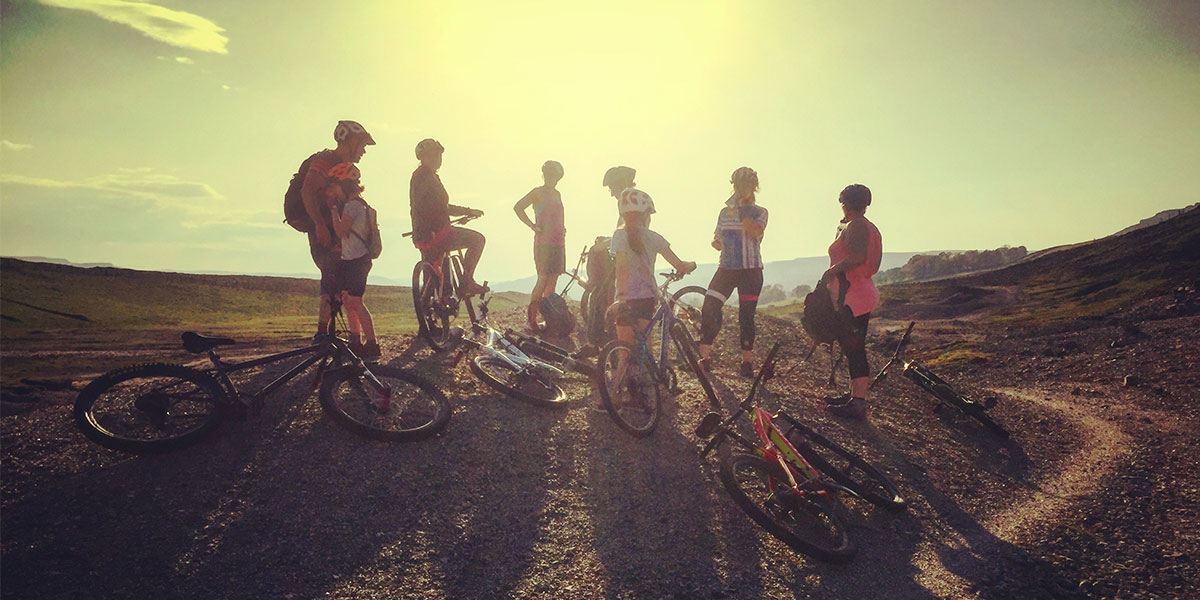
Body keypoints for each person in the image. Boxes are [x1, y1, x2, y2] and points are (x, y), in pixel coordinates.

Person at [301, 120, 375, 342]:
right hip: (325, 233)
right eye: (362, 145)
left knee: (337, 285)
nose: (363, 151)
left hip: (335, 235)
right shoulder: (324, 162)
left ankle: (330, 336)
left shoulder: (345, 170)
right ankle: (323, 336)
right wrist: (319, 224)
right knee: (331, 282)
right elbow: (307, 191)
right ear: (350, 141)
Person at [821, 184, 883, 421]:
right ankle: (854, 397)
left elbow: (857, 257)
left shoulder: (857, 226)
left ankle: (858, 403)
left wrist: (832, 272)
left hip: (854, 295)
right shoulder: (868, 227)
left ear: (845, 203)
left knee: (854, 348)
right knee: (851, 347)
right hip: (858, 292)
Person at [699, 167, 769, 377]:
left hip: (750, 270)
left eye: (747, 185)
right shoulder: (724, 212)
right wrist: (716, 242)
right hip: (727, 268)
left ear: (754, 187)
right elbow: (717, 236)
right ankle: (704, 358)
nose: (742, 190)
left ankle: (746, 362)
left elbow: (755, 232)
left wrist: (744, 211)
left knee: (746, 316)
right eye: (738, 185)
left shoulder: (760, 212)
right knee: (710, 306)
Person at [610, 188, 697, 346]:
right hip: (646, 298)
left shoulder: (618, 236)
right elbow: (679, 264)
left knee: (624, 348)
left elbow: (621, 268)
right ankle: (646, 370)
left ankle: (622, 370)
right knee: (645, 346)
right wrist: (692, 265)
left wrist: (621, 299)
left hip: (625, 298)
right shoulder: (654, 237)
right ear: (645, 215)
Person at [409, 138, 487, 296]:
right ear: (422, 158)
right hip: (436, 232)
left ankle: (433, 308)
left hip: (424, 233)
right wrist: (468, 211)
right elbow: (437, 206)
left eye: (438, 156)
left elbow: (434, 206)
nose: (436, 159)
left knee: (435, 276)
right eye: (432, 156)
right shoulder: (425, 177)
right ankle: (467, 282)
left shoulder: (424, 176)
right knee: (477, 240)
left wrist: (465, 212)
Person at [327, 162, 381, 358]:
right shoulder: (364, 206)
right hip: (356, 258)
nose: (335, 192)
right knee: (349, 301)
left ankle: (372, 344)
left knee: (355, 302)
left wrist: (333, 211)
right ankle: (356, 341)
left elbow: (341, 231)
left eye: (336, 188)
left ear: (345, 186)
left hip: (355, 260)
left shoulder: (351, 206)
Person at [514, 160, 566, 330]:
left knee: (553, 280)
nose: (554, 179)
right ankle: (531, 320)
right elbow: (518, 207)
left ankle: (548, 319)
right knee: (543, 279)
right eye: (552, 175)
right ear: (546, 175)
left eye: (556, 176)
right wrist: (532, 225)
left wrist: (562, 227)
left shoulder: (557, 193)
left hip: (558, 242)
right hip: (544, 243)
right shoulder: (537, 192)